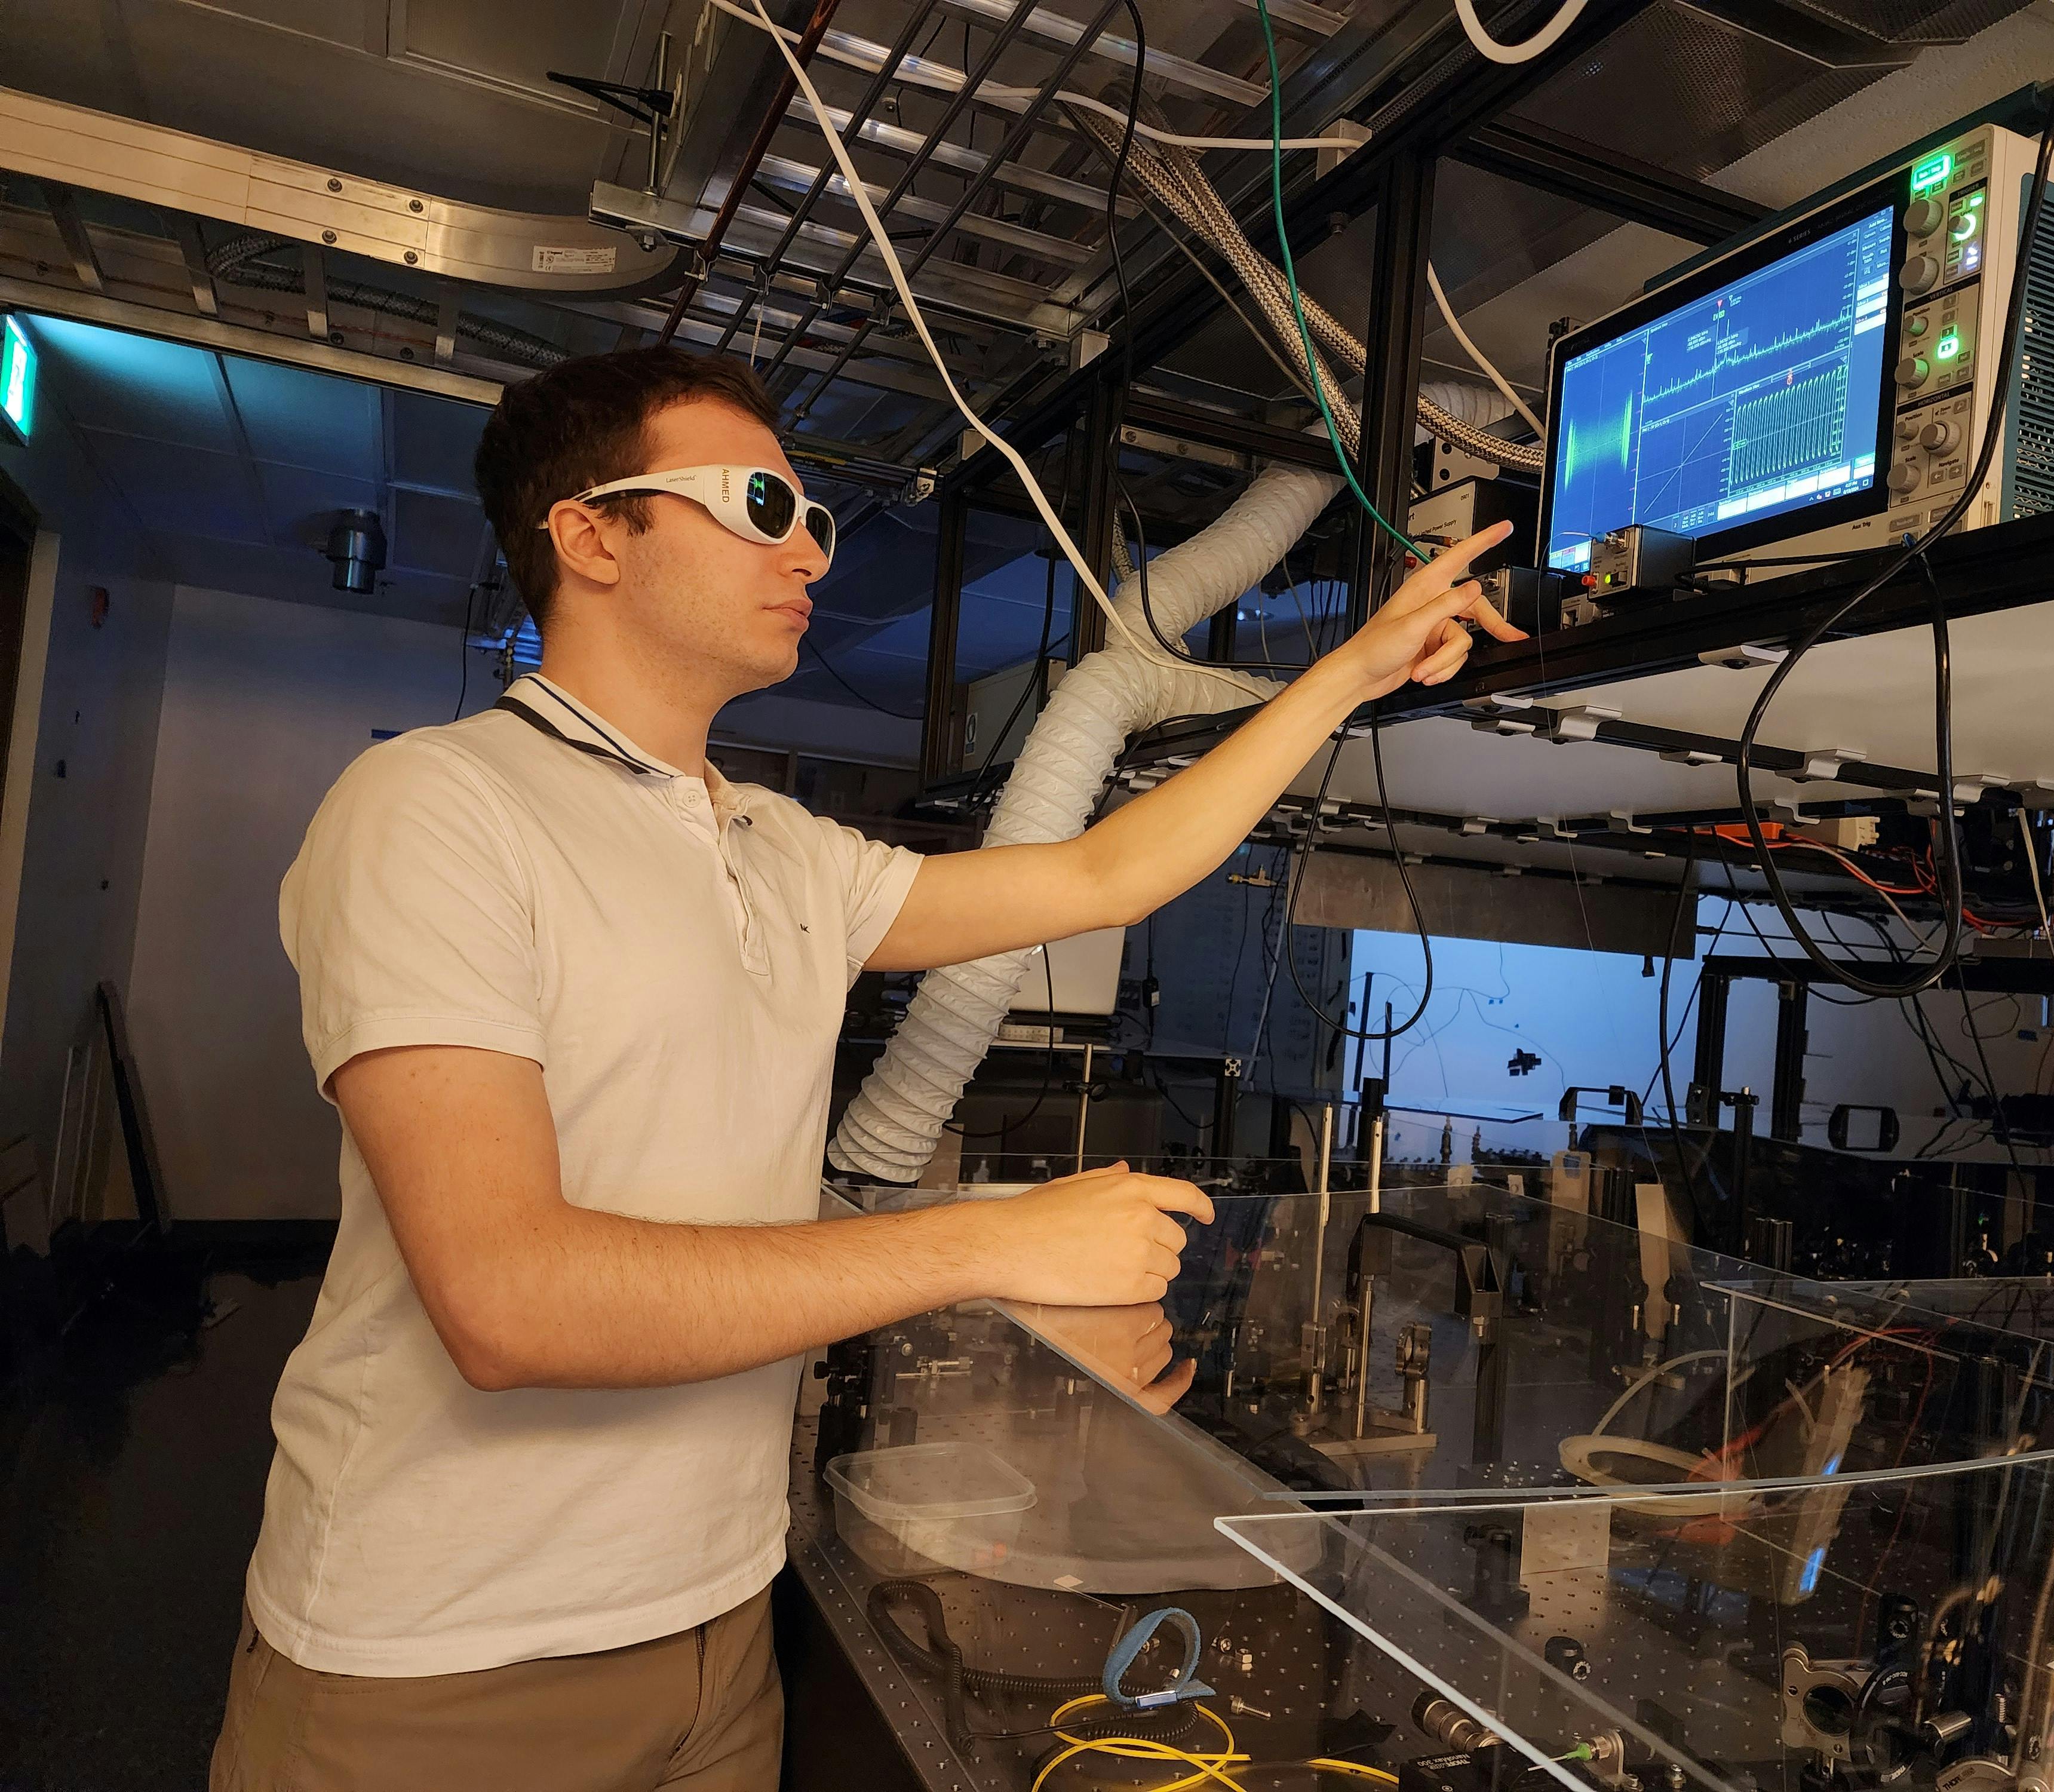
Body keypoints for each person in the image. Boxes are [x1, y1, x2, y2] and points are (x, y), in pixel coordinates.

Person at [209, 346, 1518, 1790]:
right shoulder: (437, 807)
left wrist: (1349, 671)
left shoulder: (778, 847)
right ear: (589, 535)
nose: (803, 550)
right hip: (443, 1664)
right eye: (759, 502)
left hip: (713, 1625)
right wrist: (990, 1245)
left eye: (812, 520)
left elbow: (1101, 869)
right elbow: (509, 1301)